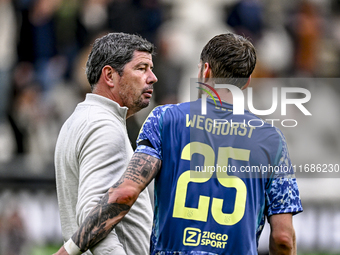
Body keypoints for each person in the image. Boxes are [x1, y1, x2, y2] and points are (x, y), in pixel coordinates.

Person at [54, 33, 303, 255]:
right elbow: (282, 238)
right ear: (247, 82)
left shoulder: (166, 119)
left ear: (205, 71)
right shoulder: (272, 140)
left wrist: (69, 250)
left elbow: (125, 193)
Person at [54, 32, 157, 255]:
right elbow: (91, 211)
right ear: (109, 75)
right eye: (141, 68)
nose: (152, 77)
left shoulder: (80, 119)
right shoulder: (104, 127)